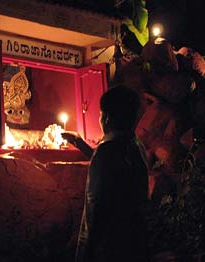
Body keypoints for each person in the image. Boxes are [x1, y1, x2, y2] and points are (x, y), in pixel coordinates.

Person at [63, 85, 149, 262]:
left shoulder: (107, 153)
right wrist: (79, 142)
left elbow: (96, 208)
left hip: (107, 248)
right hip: (133, 244)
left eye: (101, 114)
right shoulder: (135, 146)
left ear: (107, 118)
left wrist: (84, 253)